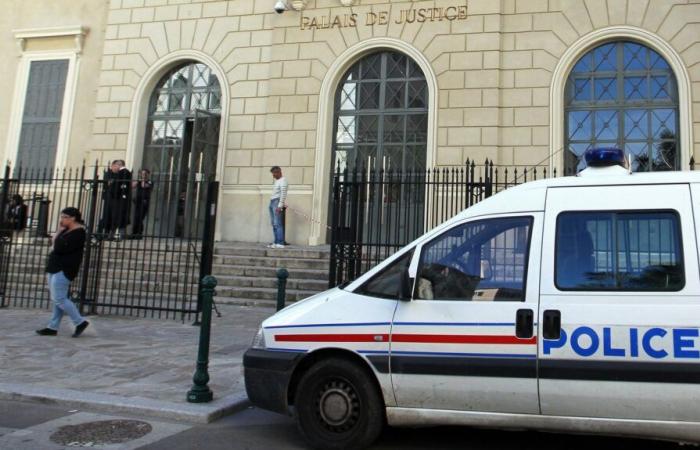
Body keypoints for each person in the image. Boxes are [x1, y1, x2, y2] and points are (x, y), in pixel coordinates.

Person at [36, 207, 89, 337]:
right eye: (61, 217)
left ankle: (80, 322)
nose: (62, 220)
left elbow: (59, 247)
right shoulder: (64, 230)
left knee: (59, 298)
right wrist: (58, 234)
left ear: (73, 218)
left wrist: (56, 240)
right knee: (57, 299)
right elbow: (54, 243)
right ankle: (52, 327)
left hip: (65, 268)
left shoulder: (79, 232)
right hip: (54, 266)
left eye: (64, 217)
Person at [101, 160, 132, 241]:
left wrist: (122, 169)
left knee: (119, 217)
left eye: (117, 166)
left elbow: (122, 184)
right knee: (109, 217)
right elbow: (107, 184)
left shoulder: (124, 172)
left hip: (119, 199)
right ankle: (109, 235)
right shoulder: (110, 173)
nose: (114, 168)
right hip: (111, 199)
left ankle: (120, 235)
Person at [268, 166, 288, 249]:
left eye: (274, 173)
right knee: (274, 223)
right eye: (272, 174)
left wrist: (280, 205)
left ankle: (280, 242)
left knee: (278, 223)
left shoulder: (283, 181)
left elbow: (283, 194)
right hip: (272, 201)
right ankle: (276, 242)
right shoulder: (277, 181)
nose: (273, 175)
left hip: (277, 202)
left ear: (279, 172)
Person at [130, 169, 153, 239]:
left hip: (144, 202)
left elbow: (144, 186)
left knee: (140, 218)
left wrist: (142, 180)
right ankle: (134, 233)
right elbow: (132, 186)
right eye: (142, 173)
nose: (143, 175)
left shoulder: (150, 182)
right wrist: (138, 180)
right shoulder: (139, 181)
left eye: (145, 174)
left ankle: (139, 233)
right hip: (138, 201)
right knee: (136, 218)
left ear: (148, 174)